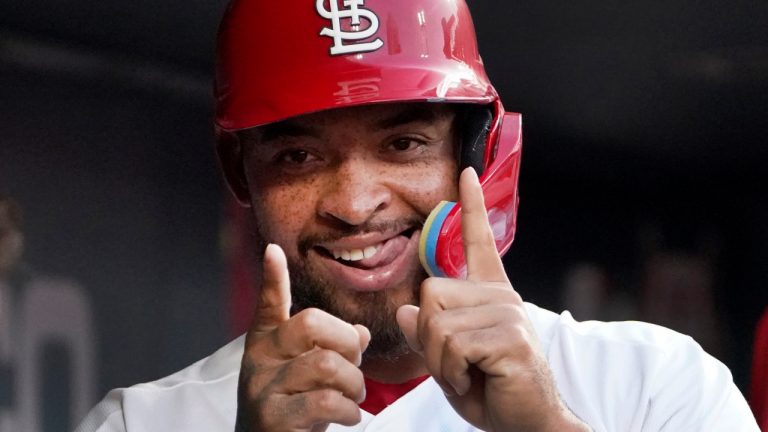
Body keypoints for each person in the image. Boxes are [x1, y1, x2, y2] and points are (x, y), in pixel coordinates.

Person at [76, 0, 759, 430]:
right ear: (240, 176)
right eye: (298, 157)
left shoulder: (654, 386)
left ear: (476, 155)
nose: (354, 202)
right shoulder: (144, 421)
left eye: (403, 144)